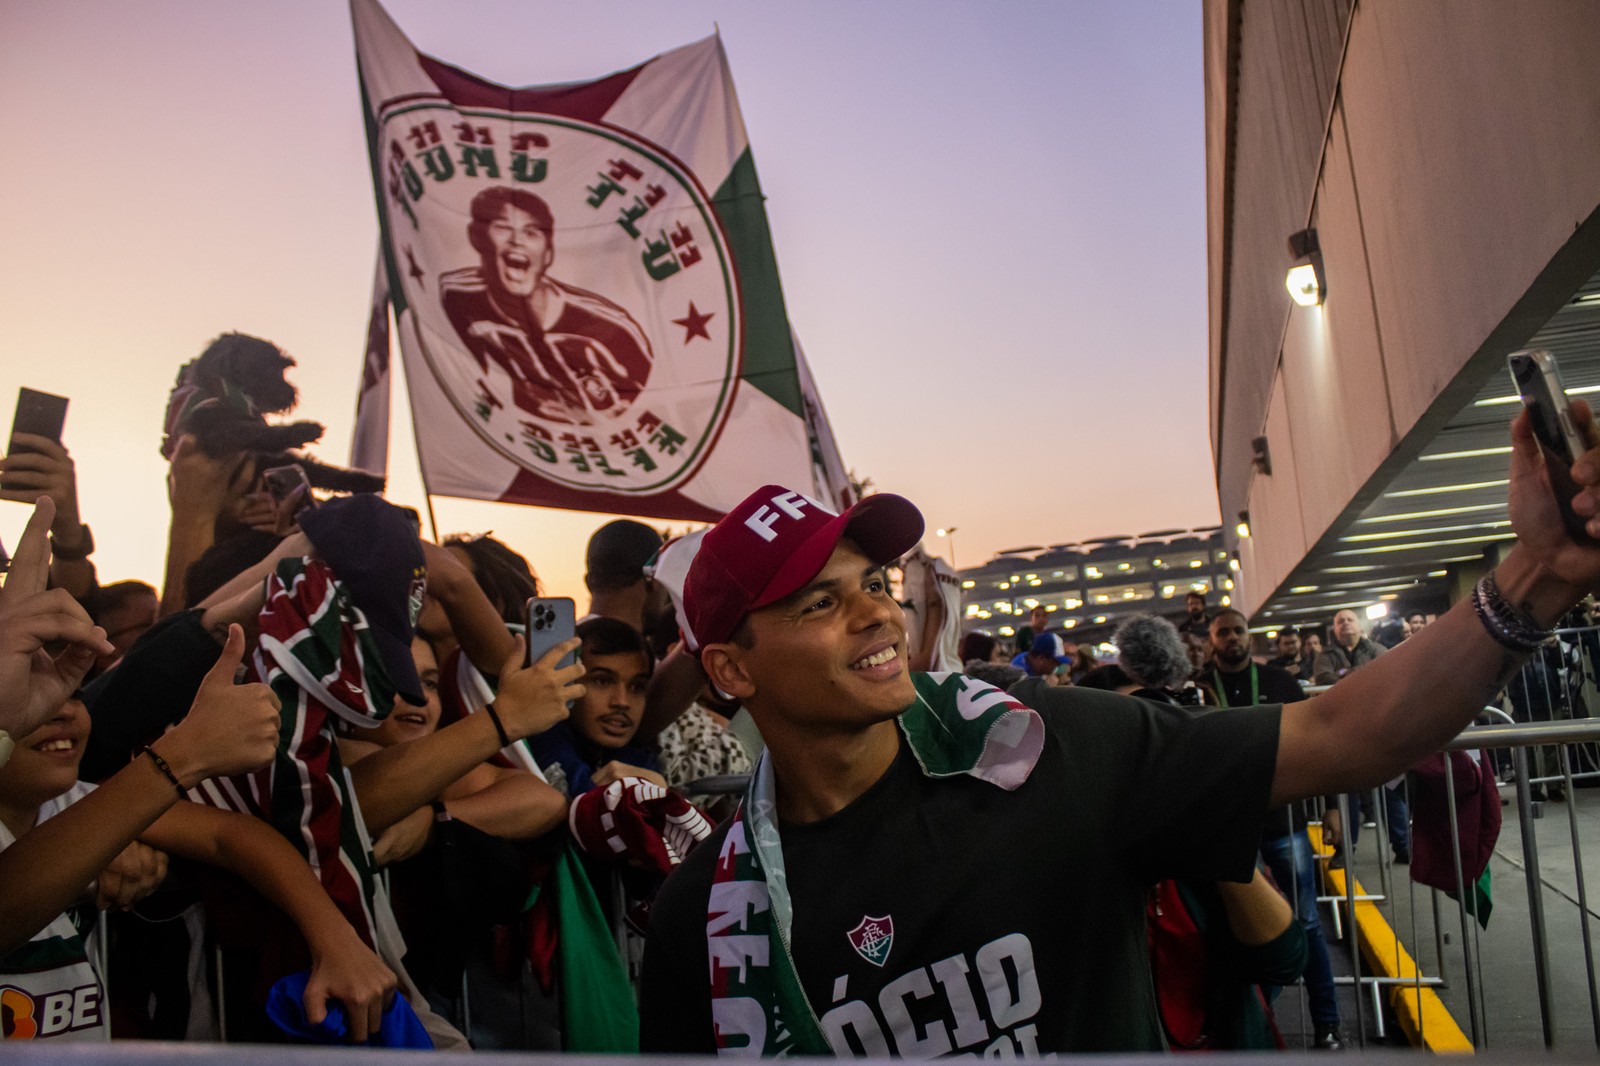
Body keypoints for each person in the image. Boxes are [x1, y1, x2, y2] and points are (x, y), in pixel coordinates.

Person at [639, 398, 1600, 1055]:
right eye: (820, 604)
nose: (881, 616)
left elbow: (1344, 735)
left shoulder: (1048, 748)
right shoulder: (714, 917)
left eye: (876, 585)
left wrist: (1535, 579)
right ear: (730, 667)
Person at [1207, 608, 1346, 1048]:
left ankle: (1327, 1024)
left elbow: (1319, 747)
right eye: (1223, 632)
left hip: (1283, 823)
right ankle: (1260, 1028)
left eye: (1238, 630)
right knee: (1244, 931)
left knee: (1305, 922)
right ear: (1212, 639)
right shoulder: (1198, 690)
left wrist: (1331, 807)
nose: (1232, 638)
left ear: (1251, 636)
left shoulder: (1280, 684)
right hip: (1229, 830)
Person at [440, 186, 654, 426]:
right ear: (477, 238)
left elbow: (666, 399)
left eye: (531, 233)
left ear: (549, 254)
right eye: (502, 228)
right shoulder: (458, 296)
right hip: (522, 446)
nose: (516, 241)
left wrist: (591, 421)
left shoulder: (610, 328)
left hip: (605, 451)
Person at [527, 616, 664, 797]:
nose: (622, 702)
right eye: (602, 681)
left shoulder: (638, 756)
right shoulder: (542, 738)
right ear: (566, 681)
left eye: (637, 687)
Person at [1312, 609, 1385, 685]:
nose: (1346, 623)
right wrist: (1360, 674)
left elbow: (1385, 671)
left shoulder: (1376, 649)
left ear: (1359, 627)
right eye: (1341, 621)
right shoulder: (1325, 654)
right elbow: (1323, 679)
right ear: (1334, 629)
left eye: (1350, 620)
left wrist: (1343, 673)